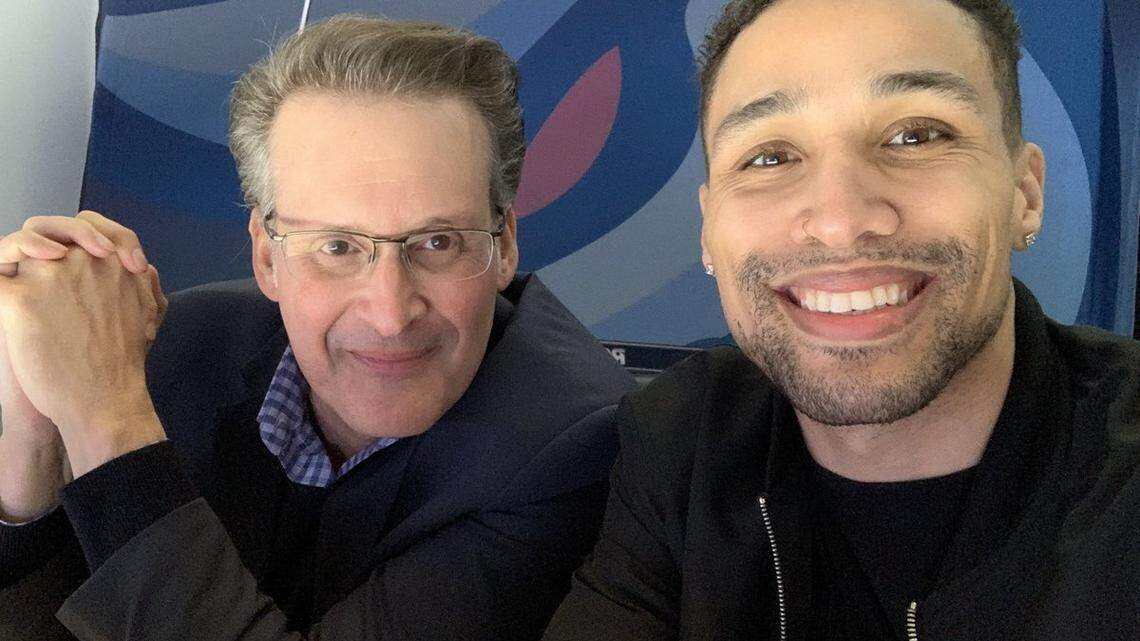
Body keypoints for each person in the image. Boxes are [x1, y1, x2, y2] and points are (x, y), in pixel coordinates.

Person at [0, 16, 634, 641]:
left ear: (505, 245)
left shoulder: (583, 450)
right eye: (336, 246)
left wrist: (109, 422)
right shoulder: (180, 348)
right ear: (266, 255)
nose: (389, 314)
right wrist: (28, 441)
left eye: (438, 242)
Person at [543, 0, 1140, 639]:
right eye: (769, 156)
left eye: (917, 134)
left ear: (1025, 194)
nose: (839, 220)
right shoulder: (679, 438)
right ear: (710, 233)